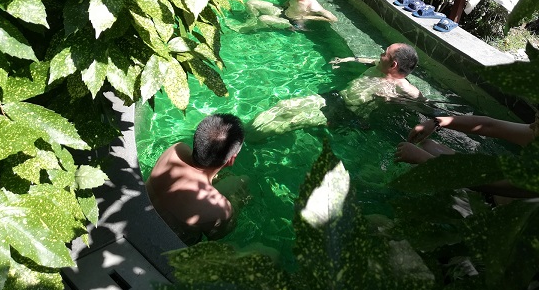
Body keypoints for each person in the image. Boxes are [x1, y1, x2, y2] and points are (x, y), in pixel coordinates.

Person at [248, 43, 422, 140]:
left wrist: (435, 118)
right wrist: (348, 59)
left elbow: (424, 104)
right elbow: (368, 60)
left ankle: (246, 142)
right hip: (334, 97)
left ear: (393, 65)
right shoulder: (379, 66)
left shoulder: (403, 87)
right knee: (284, 105)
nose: (380, 55)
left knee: (291, 121)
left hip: (344, 115)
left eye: (384, 53)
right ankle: (243, 131)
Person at [395, 107, 539, 200]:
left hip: (488, 207)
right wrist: (436, 122)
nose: (531, 126)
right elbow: (488, 125)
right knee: (428, 144)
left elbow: (478, 182)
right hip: (485, 190)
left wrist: (423, 159)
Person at [146, 114, 249, 245]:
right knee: (244, 181)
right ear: (231, 160)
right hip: (165, 245)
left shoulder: (175, 150)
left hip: (138, 217)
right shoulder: (219, 208)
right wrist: (236, 202)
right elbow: (219, 236)